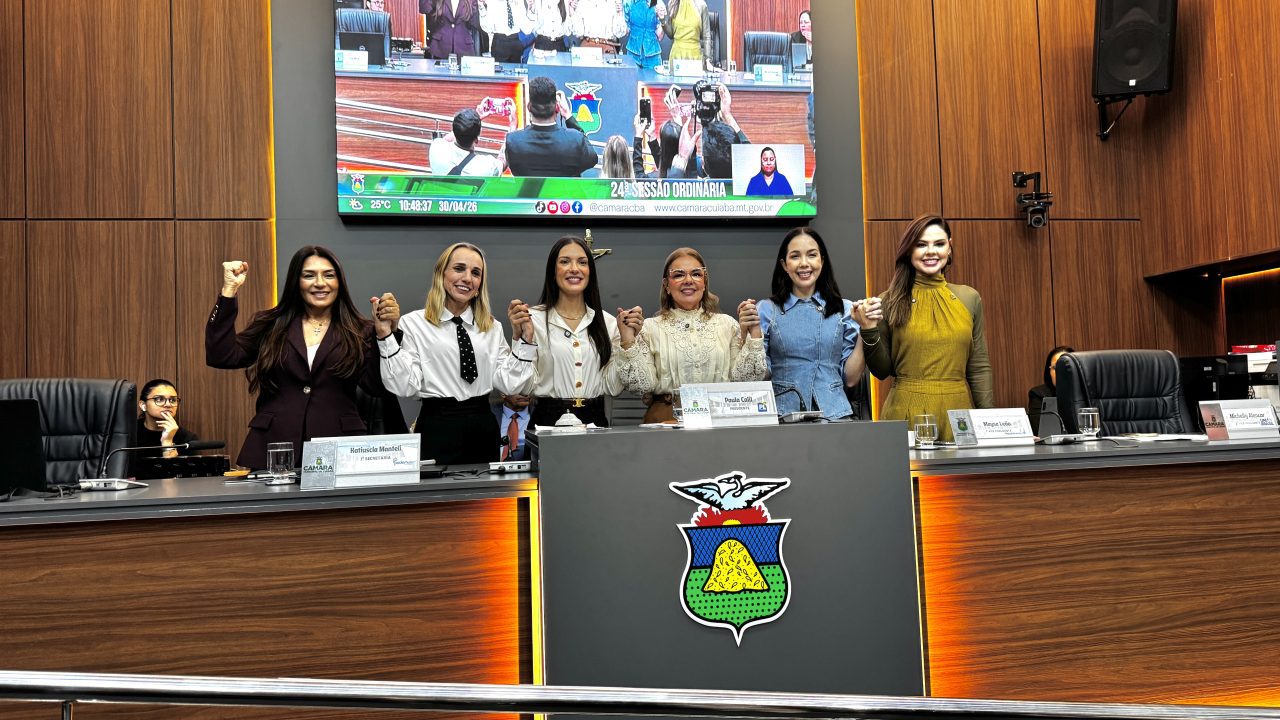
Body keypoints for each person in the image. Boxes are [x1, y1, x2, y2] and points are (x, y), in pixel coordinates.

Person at [206, 246, 401, 469]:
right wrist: (228, 291)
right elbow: (221, 355)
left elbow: (377, 387)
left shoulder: (360, 330)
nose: (320, 283)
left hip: (338, 447)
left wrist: (387, 334)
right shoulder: (271, 324)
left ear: (339, 282)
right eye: (309, 275)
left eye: (329, 275)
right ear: (296, 282)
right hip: (275, 447)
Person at [854, 215, 993, 441]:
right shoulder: (888, 300)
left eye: (939, 244)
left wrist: (991, 424)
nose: (931, 252)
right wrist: (868, 329)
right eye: (921, 244)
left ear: (949, 247)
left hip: (958, 413)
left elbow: (978, 368)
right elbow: (881, 371)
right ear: (909, 250)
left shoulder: (969, 298)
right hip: (905, 412)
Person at [379, 243, 517, 464]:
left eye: (475, 273)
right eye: (459, 268)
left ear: (480, 284)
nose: (467, 278)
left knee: (486, 488)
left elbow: (510, 384)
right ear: (441, 274)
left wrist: (524, 340)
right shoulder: (413, 323)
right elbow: (404, 386)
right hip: (437, 426)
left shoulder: (492, 327)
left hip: (482, 426)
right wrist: (386, 336)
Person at [614, 247, 768, 423]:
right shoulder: (649, 328)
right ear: (666, 285)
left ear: (704, 283)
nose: (688, 280)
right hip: (666, 420)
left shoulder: (728, 325)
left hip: (720, 417)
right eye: (678, 275)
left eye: (696, 274)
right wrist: (628, 339)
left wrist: (754, 332)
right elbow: (640, 386)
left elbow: (748, 379)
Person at [502, 236, 626, 428]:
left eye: (582, 262)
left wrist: (627, 342)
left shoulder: (608, 323)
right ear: (553, 271)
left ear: (590, 272)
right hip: (547, 421)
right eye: (565, 261)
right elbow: (514, 385)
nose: (574, 268)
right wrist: (523, 338)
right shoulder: (533, 319)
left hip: (595, 421)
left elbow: (614, 387)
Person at [757, 228, 863, 420]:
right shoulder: (766, 310)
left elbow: (851, 379)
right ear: (784, 264)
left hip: (836, 416)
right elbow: (759, 375)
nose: (804, 263)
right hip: (782, 416)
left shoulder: (845, 310)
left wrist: (866, 329)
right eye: (795, 256)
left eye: (812, 255)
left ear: (822, 260)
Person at [504, 76, 599, 177]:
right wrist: (568, 116)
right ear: (557, 107)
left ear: (529, 107)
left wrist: (513, 126)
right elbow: (592, 159)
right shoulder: (576, 140)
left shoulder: (513, 141)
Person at [430, 107, 507, 176]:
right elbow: (502, 161)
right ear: (476, 140)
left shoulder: (436, 149)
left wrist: (471, 122)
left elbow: (446, 140)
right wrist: (512, 125)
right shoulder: (486, 167)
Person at [135, 379, 199, 459]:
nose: (168, 404)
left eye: (173, 400)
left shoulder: (187, 439)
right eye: (159, 399)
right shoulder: (128, 433)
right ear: (143, 405)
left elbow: (174, 468)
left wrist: (168, 442)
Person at [1028, 345, 1075, 431]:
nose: (1059, 371)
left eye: (1064, 367)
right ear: (1049, 371)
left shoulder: (1088, 392)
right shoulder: (1038, 394)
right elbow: (1039, 431)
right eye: (1055, 367)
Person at [663, 0, 713, 71]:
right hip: (677, 56)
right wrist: (662, 21)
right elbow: (671, 35)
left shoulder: (701, 5)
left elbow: (706, 35)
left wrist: (708, 60)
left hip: (695, 56)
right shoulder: (673, 3)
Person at [623, 0, 664, 69]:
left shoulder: (658, 3)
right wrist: (620, 15)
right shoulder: (628, 2)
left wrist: (662, 19)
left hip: (652, 55)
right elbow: (625, 32)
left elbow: (660, 36)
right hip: (633, 54)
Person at [494, 393, 532, 460]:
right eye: (519, 389)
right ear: (503, 394)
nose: (525, 393)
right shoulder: (489, 416)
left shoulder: (541, 416)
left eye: (528, 389)